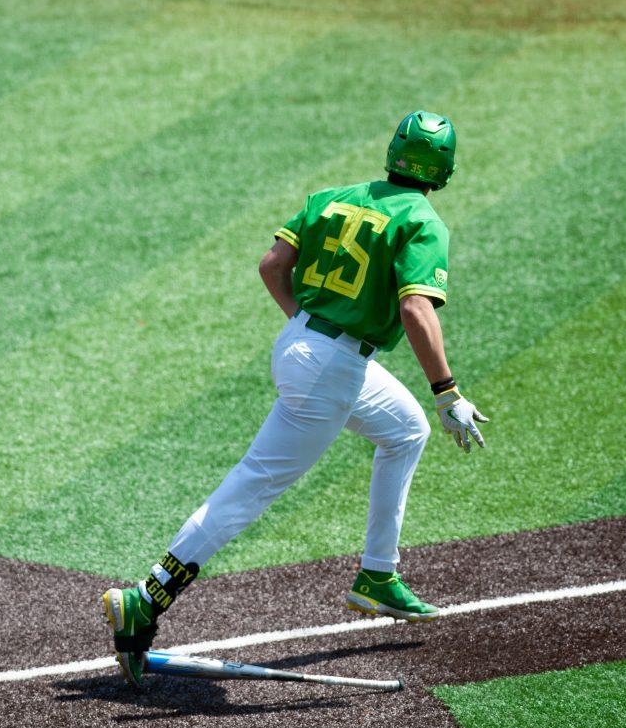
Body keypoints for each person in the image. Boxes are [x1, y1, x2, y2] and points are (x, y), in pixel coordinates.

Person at [102, 110, 487, 686]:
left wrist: (306, 329)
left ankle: (378, 575)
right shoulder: (422, 219)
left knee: (405, 430)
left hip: (303, 345)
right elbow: (414, 309)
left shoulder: (331, 198)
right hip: (332, 367)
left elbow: (272, 265)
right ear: (445, 169)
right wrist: (447, 390)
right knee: (253, 484)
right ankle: (145, 599)